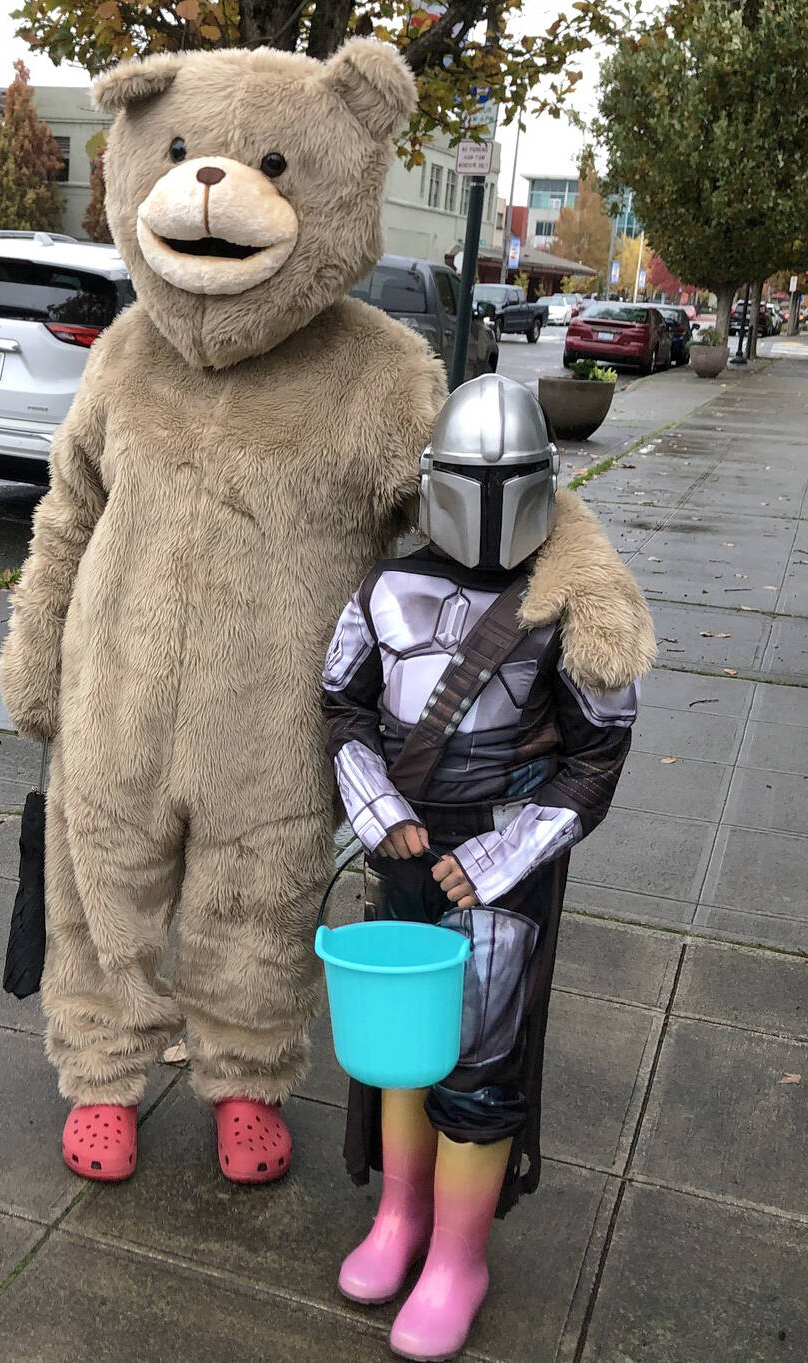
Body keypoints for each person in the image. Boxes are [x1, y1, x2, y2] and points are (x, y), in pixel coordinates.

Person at [321, 374, 653, 1361]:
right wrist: (374, 802)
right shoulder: (385, 586)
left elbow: (599, 751)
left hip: (501, 860)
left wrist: (508, 850)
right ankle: (401, 1219)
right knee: (398, 1048)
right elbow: (341, 701)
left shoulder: (574, 599)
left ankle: (457, 1257)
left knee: (481, 1057)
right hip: (405, 842)